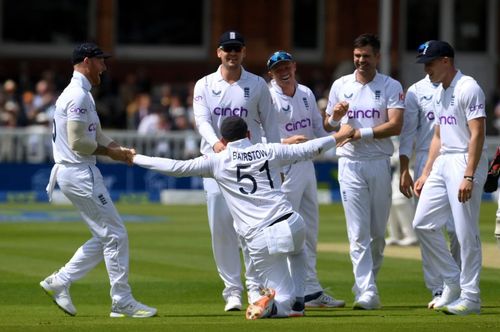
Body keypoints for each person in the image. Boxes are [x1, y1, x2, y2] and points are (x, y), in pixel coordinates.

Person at [132, 116, 355, 319]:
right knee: (298, 252)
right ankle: (298, 303)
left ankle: (276, 306)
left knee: (281, 301)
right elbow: (309, 149)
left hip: (261, 237)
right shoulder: (269, 151)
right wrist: (339, 135)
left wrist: (134, 158)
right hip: (291, 221)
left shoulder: (217, 160)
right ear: (248, 134)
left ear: (222, 139)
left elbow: (176, 167)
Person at [39, 42, 157, 318]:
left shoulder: (82, 94)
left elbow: (97, 134)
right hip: (79, 171)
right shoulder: (77, 96)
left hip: (77, 171)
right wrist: (111, 154)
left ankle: (60, 281)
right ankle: (121, 301)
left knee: (106, 235)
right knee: (116, 235)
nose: (104, 67)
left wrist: (120, 149)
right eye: (101, 61)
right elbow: (79, 142)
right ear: (87, 61)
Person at [192, 30, 281, 311]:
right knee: (221, 229)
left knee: (252, 229)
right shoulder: (204, 84)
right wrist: (216, 143)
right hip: (217, 163)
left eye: (237, 49)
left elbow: (271, 125)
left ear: (244, 53)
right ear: (218, 52)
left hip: (251, 166)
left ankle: (254, 286)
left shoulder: (256, 85)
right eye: (227, 49)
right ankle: (232, 291)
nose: (232, 54)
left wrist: (275, 163)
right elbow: (201, 120)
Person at [323, 33, 404, 310]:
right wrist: (334, 115)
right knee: (357, 233)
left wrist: (361, 133)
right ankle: (367, 291)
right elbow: (329, 126)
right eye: (357, 56)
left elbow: (395, 125)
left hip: (379, 163)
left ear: (377, 57)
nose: (360, 61)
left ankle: (367, 284)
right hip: (349, 164)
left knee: (377, 235)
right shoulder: (340, 85)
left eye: (366, 56)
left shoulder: (390, 86)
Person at [412, 40, 488, 315]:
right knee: (422, 224)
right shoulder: (439, 91)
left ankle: (472, 297)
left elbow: (478, 133)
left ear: (446, 61)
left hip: (464, 161)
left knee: (465, 232)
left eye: (430, 63)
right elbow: (437, 134)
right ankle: (452, 282)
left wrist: (468, 174)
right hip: (443, 160)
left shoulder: (469, 87)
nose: (427, 70)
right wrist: (425, 171)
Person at [266, 50, 345, 308]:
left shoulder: (307, 94)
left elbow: (320, 130)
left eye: (286, 65)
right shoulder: (267, 97)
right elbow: (258, 139)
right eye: (277, 69)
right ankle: (281, 290)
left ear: (294, 66)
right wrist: (287, 142)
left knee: (310, 229)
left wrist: (335, 120)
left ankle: (310, 290)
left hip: (306, 166)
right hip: (283, 166)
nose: (283, 71)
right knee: (284, 230)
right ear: (271, 73)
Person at [399, 74, 461, 308]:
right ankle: (438, 287)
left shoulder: (463, 86)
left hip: (456, 155)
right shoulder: (416, 89)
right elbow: (407, 132)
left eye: (431, 62)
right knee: (427, 226)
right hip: (426, 156)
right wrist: (405, 168)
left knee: (457, 230)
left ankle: (457, 283)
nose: (428, 67)